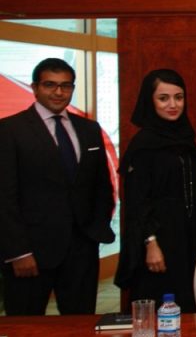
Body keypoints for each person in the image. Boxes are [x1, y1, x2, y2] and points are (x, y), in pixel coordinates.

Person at [0, 58, 115, 315]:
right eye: (50, 85)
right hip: (31, 252)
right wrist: (18, 252)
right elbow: (4, 197)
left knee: (81, 326)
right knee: (26, 329)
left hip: (82, 250)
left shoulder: (88, 129)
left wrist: (96, 230)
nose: (59, 92)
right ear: (35, 87)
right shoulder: (9, 130)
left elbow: (101, 186)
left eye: (66, 85)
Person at [115, 69, 196, 313]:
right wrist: (151, 243)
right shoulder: (143, 144)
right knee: (159, 307)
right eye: (163, 98)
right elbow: (137, 201)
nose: (173, 105)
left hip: (187, 237)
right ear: (150, 101)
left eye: (179, 97)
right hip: (159, 240)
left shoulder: (185, 138)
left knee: (187, 307)